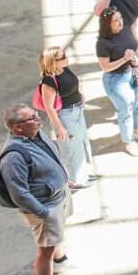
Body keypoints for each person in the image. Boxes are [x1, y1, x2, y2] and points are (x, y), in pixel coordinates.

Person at [0, 104, 79, 275]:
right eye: (32, 118)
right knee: (45, 249)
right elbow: (19, 193)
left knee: (56, 237)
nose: (38, 119)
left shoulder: (36, 134)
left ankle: (60, 261)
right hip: (44, 207)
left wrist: (62, 180)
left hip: (56, 198)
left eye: (36, 116)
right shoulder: (13, 156)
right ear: (17, 128)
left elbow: (50, 159)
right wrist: (44, 213)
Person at [38, 46, 94, 189]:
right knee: (70, 149)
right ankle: (74, 180)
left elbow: (73, 83)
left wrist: (79, 94)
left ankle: (83, 173)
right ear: (53, 62)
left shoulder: (64, 69)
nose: (66, 58)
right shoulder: (48, 81)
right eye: (62, 57)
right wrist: (60, 128)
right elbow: (49, 108)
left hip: (77, 111)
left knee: (80, 143)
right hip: (65, 116)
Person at [95, 7, 138, 157]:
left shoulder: (125, 30)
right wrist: (124, 59)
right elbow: (105, 67)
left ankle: (136, 131)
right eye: (116, 21)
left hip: (132, 73)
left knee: (136, 104)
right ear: (107, 24)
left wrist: (137, 58)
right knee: (126, 111)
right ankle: (129, 142)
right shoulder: (103, 43)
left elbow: (135, 48)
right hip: (116, 80)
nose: (120, 22)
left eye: (120, 18)